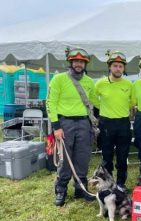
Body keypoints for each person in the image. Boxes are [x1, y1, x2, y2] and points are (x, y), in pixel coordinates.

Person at [46, 47, 99, 206]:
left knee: (83, 156)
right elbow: (50, 103)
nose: (78, 64)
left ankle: (80, 188)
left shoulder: (89, 82)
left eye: (81, 62)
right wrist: (56, 126)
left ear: (85, 64)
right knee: (65, 158)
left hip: (84, 123)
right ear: (70, 62)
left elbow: (95, 102)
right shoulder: (59, 79)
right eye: (75, 61)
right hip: (64, 123)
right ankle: (61, 189)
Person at [94, 50, 132, 189]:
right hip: (106, 123)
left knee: (123, 156)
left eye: (120, 66)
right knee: (107, 156)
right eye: (115, 65)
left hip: (123, 123)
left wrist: (121, 108)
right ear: (110, 67)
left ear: (123, 68)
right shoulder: (100, 83)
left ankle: (121, 183)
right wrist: (102, 107)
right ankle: (108, 183)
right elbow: (92, 97)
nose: (118, 68)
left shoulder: (128, 85)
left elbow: (132, 101)